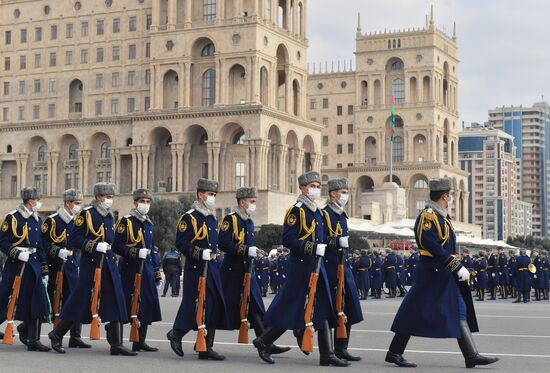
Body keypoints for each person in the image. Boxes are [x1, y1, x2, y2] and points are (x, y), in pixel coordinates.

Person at [385, 178, 498, 369]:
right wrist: (456, 265)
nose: (452, 197)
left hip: (442, 272)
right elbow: (431, 245)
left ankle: (471, 355)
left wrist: (454, 265)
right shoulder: (428, 216)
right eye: (451, 195)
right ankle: (395, 352)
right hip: (431, 272)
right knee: (413, 312)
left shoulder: (441, 216)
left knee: (459, 309)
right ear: (445, 196)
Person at [252, 171, 348, 367]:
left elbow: (321, 239)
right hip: (302, 267)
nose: (316, 189)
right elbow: (288, 239)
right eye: (312, 186)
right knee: (292, 308)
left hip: (316, 266)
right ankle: (263, 341)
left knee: (323, 308)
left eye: (317, 186)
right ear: (303, 188)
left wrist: (336, 241)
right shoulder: (297, 211)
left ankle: (327, 354)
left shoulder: (317, 212)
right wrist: (311, 247)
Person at [49, 182, 135, 356]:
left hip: (109, 263)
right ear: (98, 197)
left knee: (116, 299)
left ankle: (116, 343)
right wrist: (94, 246)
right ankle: (56, 334)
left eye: (111, 197)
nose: (109, 200)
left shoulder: (109, 216)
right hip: (92, 264)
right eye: (107, 197)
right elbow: (74, 239)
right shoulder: (86, 215)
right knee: (80, 300)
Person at [218, 187, 290, 355]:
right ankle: (193, 339)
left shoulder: (248, 221)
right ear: (242, 202)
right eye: (252, 201)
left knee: (256, 308)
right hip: (232, 271)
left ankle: (265, 342)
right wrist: (244, 250)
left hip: (246, 271)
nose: (253, 205)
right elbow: (223, 243)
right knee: (219, 309)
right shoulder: (231, 220)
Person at [166, 179, 227, 360]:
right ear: (201, 195)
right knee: (194, 303)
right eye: (210, 194)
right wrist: (199, 253)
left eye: (214, 195)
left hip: (212, 268)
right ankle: (176, 333)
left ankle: (206, 346)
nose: (212, 198)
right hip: (197, 267)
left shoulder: (211, 217)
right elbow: (182, 243)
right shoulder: (190, 217)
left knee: (214, 305)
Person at [0, 187, 51, 351]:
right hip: (16, 265)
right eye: (37, 199)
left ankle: (33, 339)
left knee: (37, 299)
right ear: (30, 201)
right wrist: (16, 253)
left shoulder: (37, 220)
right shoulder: (13, 218)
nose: (39, 202)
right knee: (5, 297)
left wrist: (44, 269)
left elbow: (40, 246)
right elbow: (3, 242)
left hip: (33, 265)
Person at [113, 188, 162, 352]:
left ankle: (140, 341)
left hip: (146, 268)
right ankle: (115, 337)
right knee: (125, 304)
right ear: (135, 203)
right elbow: (117, 246)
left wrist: (157, 270)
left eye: (148, 202)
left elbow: (152, 248)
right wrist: (134, 252)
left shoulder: (148, 223)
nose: (145, 205)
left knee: (146, 303)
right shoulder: (126, 222)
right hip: (129, 269)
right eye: (142, 201)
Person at [41, 189, 90, 350]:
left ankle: (75, 337)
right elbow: (44, 243)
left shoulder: (78, 221)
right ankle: (27, 329)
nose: (78, 206)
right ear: (67, 203)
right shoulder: (53, 221)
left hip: (72, 265)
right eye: (76, 203)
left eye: (79, 203)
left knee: (75, 300)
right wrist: (56, 251)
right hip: (56, 266)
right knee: (53, 301)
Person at [321, 178, 363, 362]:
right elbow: (320, 238)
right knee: (332, 308)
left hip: (343, 266)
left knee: (350, 306)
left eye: (346, 191)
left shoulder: (340, 214)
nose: (346, 195)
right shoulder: (325, 214)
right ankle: (330, 350)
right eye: (343, 191)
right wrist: (336, 242)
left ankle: (342, 347)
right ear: (333, 194)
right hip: (330, 267)